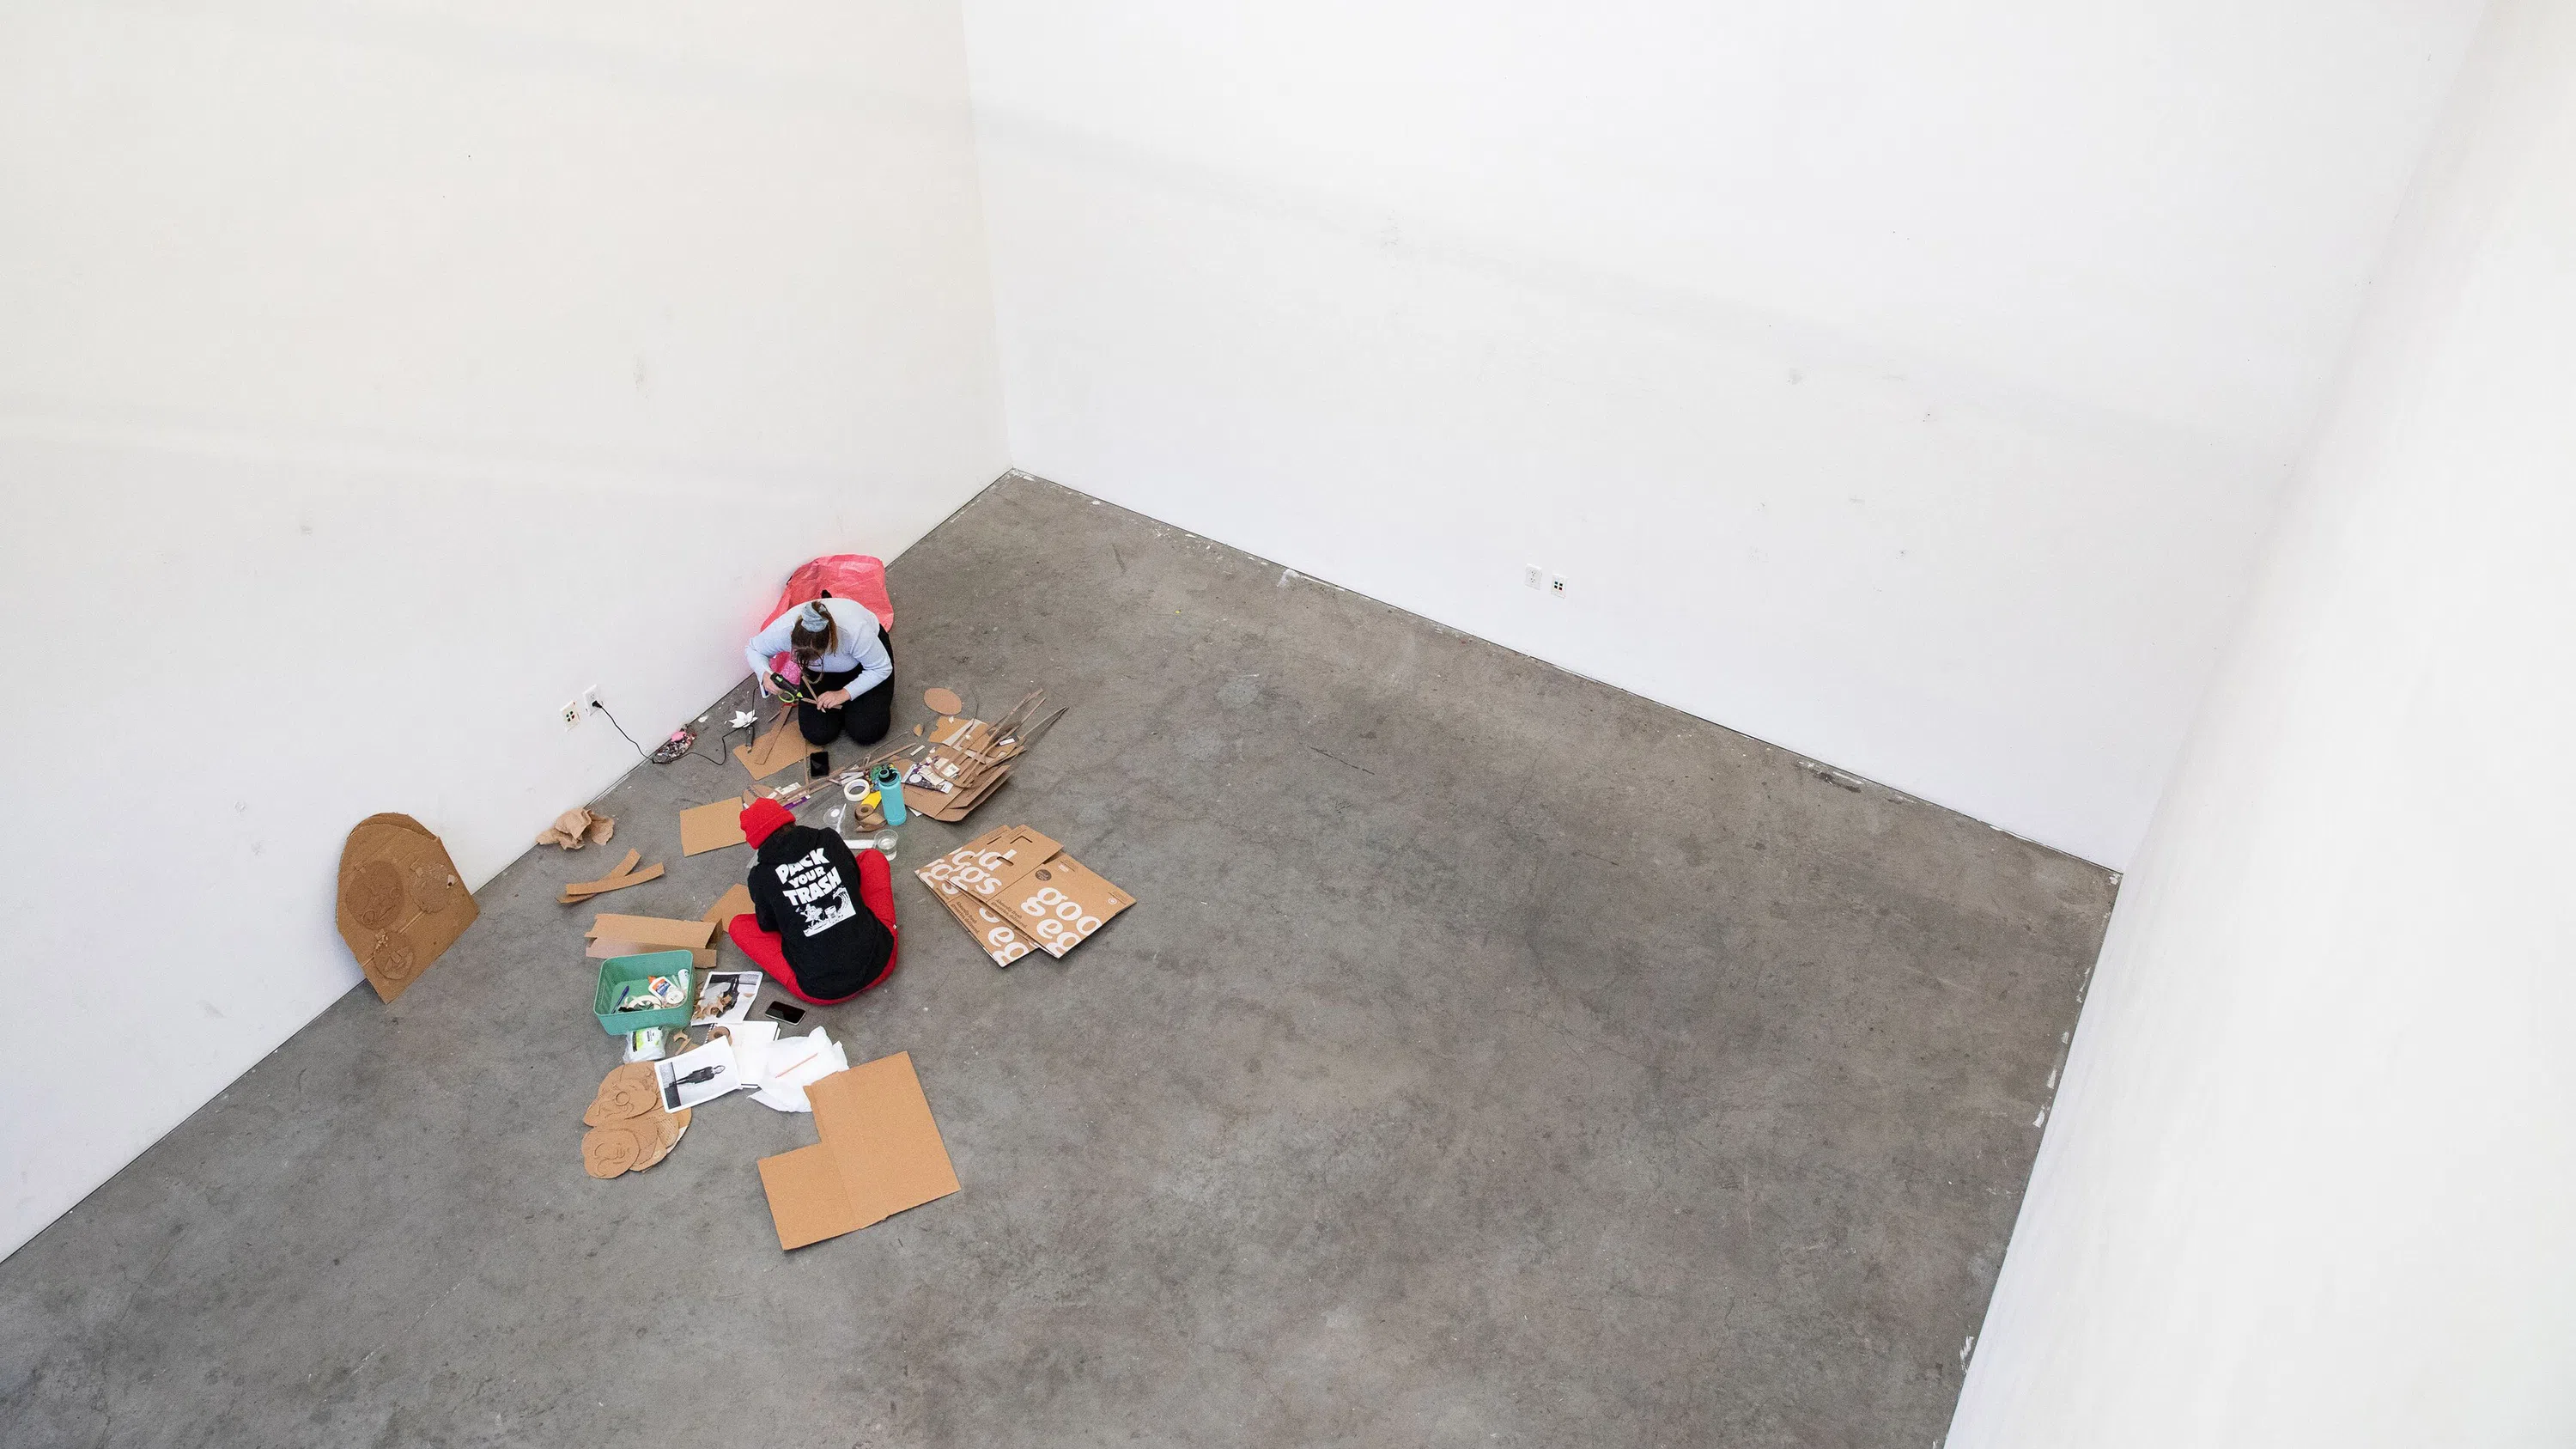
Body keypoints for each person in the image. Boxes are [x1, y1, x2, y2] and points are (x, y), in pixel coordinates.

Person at [726, 798, 898, 1004]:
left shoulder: (760, 877)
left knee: (738, 926)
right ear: (790, 820)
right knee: (873, 858)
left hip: (823, 991)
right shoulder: (829, 838)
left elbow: (768, 925)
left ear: (755, 841)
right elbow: (856, 879)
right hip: (882, 961)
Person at [743, 596, 894, 747]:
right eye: (800, 657)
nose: (804, 662)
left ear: (830, 643)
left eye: (814, 658)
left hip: (863, 666)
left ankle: (855, 708)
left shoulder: (854, 632)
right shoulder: (783, 630)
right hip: (821, 674)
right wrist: (764, 673)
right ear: (791, 636)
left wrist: (844, 693)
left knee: (867, 731)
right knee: (817, 733)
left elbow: (881, 668)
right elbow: (754, 649)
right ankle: (850, 708)